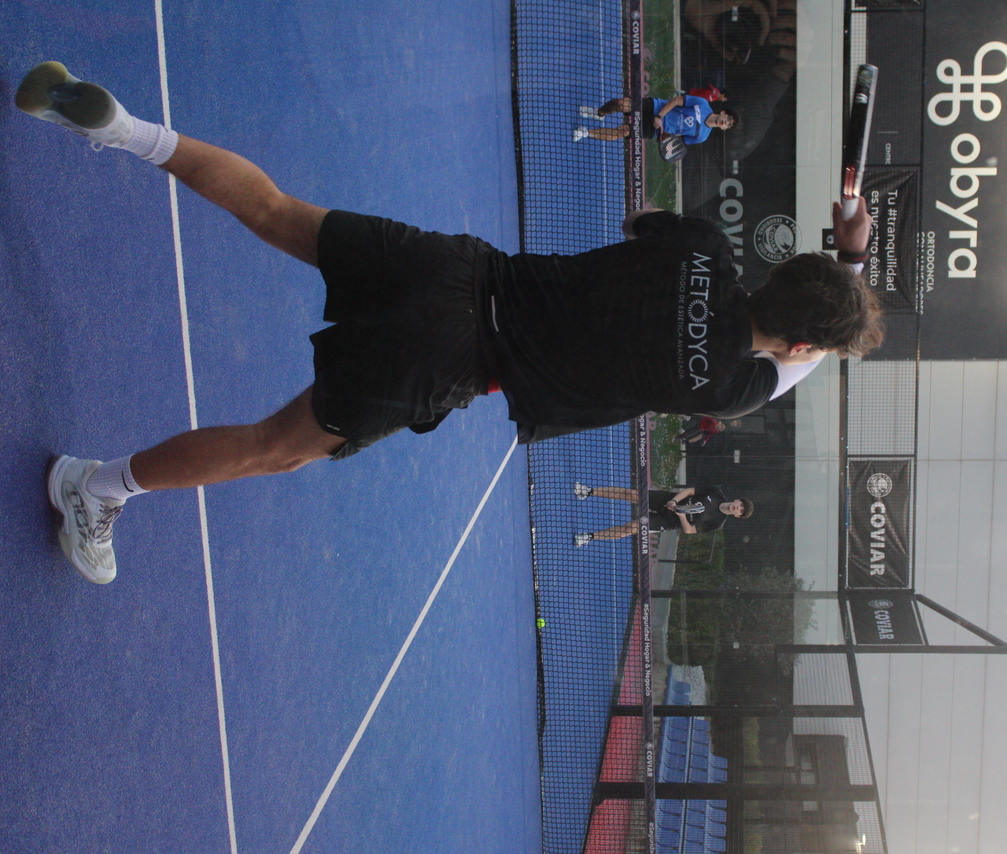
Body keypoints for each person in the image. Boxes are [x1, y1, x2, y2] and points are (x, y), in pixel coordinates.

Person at [17, 60, 880, 585]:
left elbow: (639, 221)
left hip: (456, 266)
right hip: (449, 357)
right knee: (271, 447)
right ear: (804, 343)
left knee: (277, 209)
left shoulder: (706, 249)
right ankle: (96, 488)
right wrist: (847, 278)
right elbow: (789, 368)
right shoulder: (726, 386)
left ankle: (128, 130)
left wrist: (844, 256)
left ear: (783, 269)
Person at [572, 483, 750, 546]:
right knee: (631, 494)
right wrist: (674, 501)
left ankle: (589, 537)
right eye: (740, 505)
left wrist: (681, 515)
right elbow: (690, 491)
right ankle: (588, 492)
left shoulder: (717, 522)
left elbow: (689, 530)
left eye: (740, 511)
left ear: (737, 516)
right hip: (667, 500)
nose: (738, 508)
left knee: (631, 527)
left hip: (668, 520)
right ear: (737, 500)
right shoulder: (716, 493)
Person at [572, 95, 737, 145]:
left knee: (623, 132)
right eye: (728, 119)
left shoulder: (702, 136)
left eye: (728, 125)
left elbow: (678, 141)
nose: (726, 123)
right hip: (656, 108)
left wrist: (664, 137)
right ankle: (599, 113)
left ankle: (586, 132)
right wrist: (660, 116)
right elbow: (676, 100)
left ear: (724, 129)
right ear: (723, 112)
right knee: (622, 104)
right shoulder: (702, 104)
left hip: (655, 129)